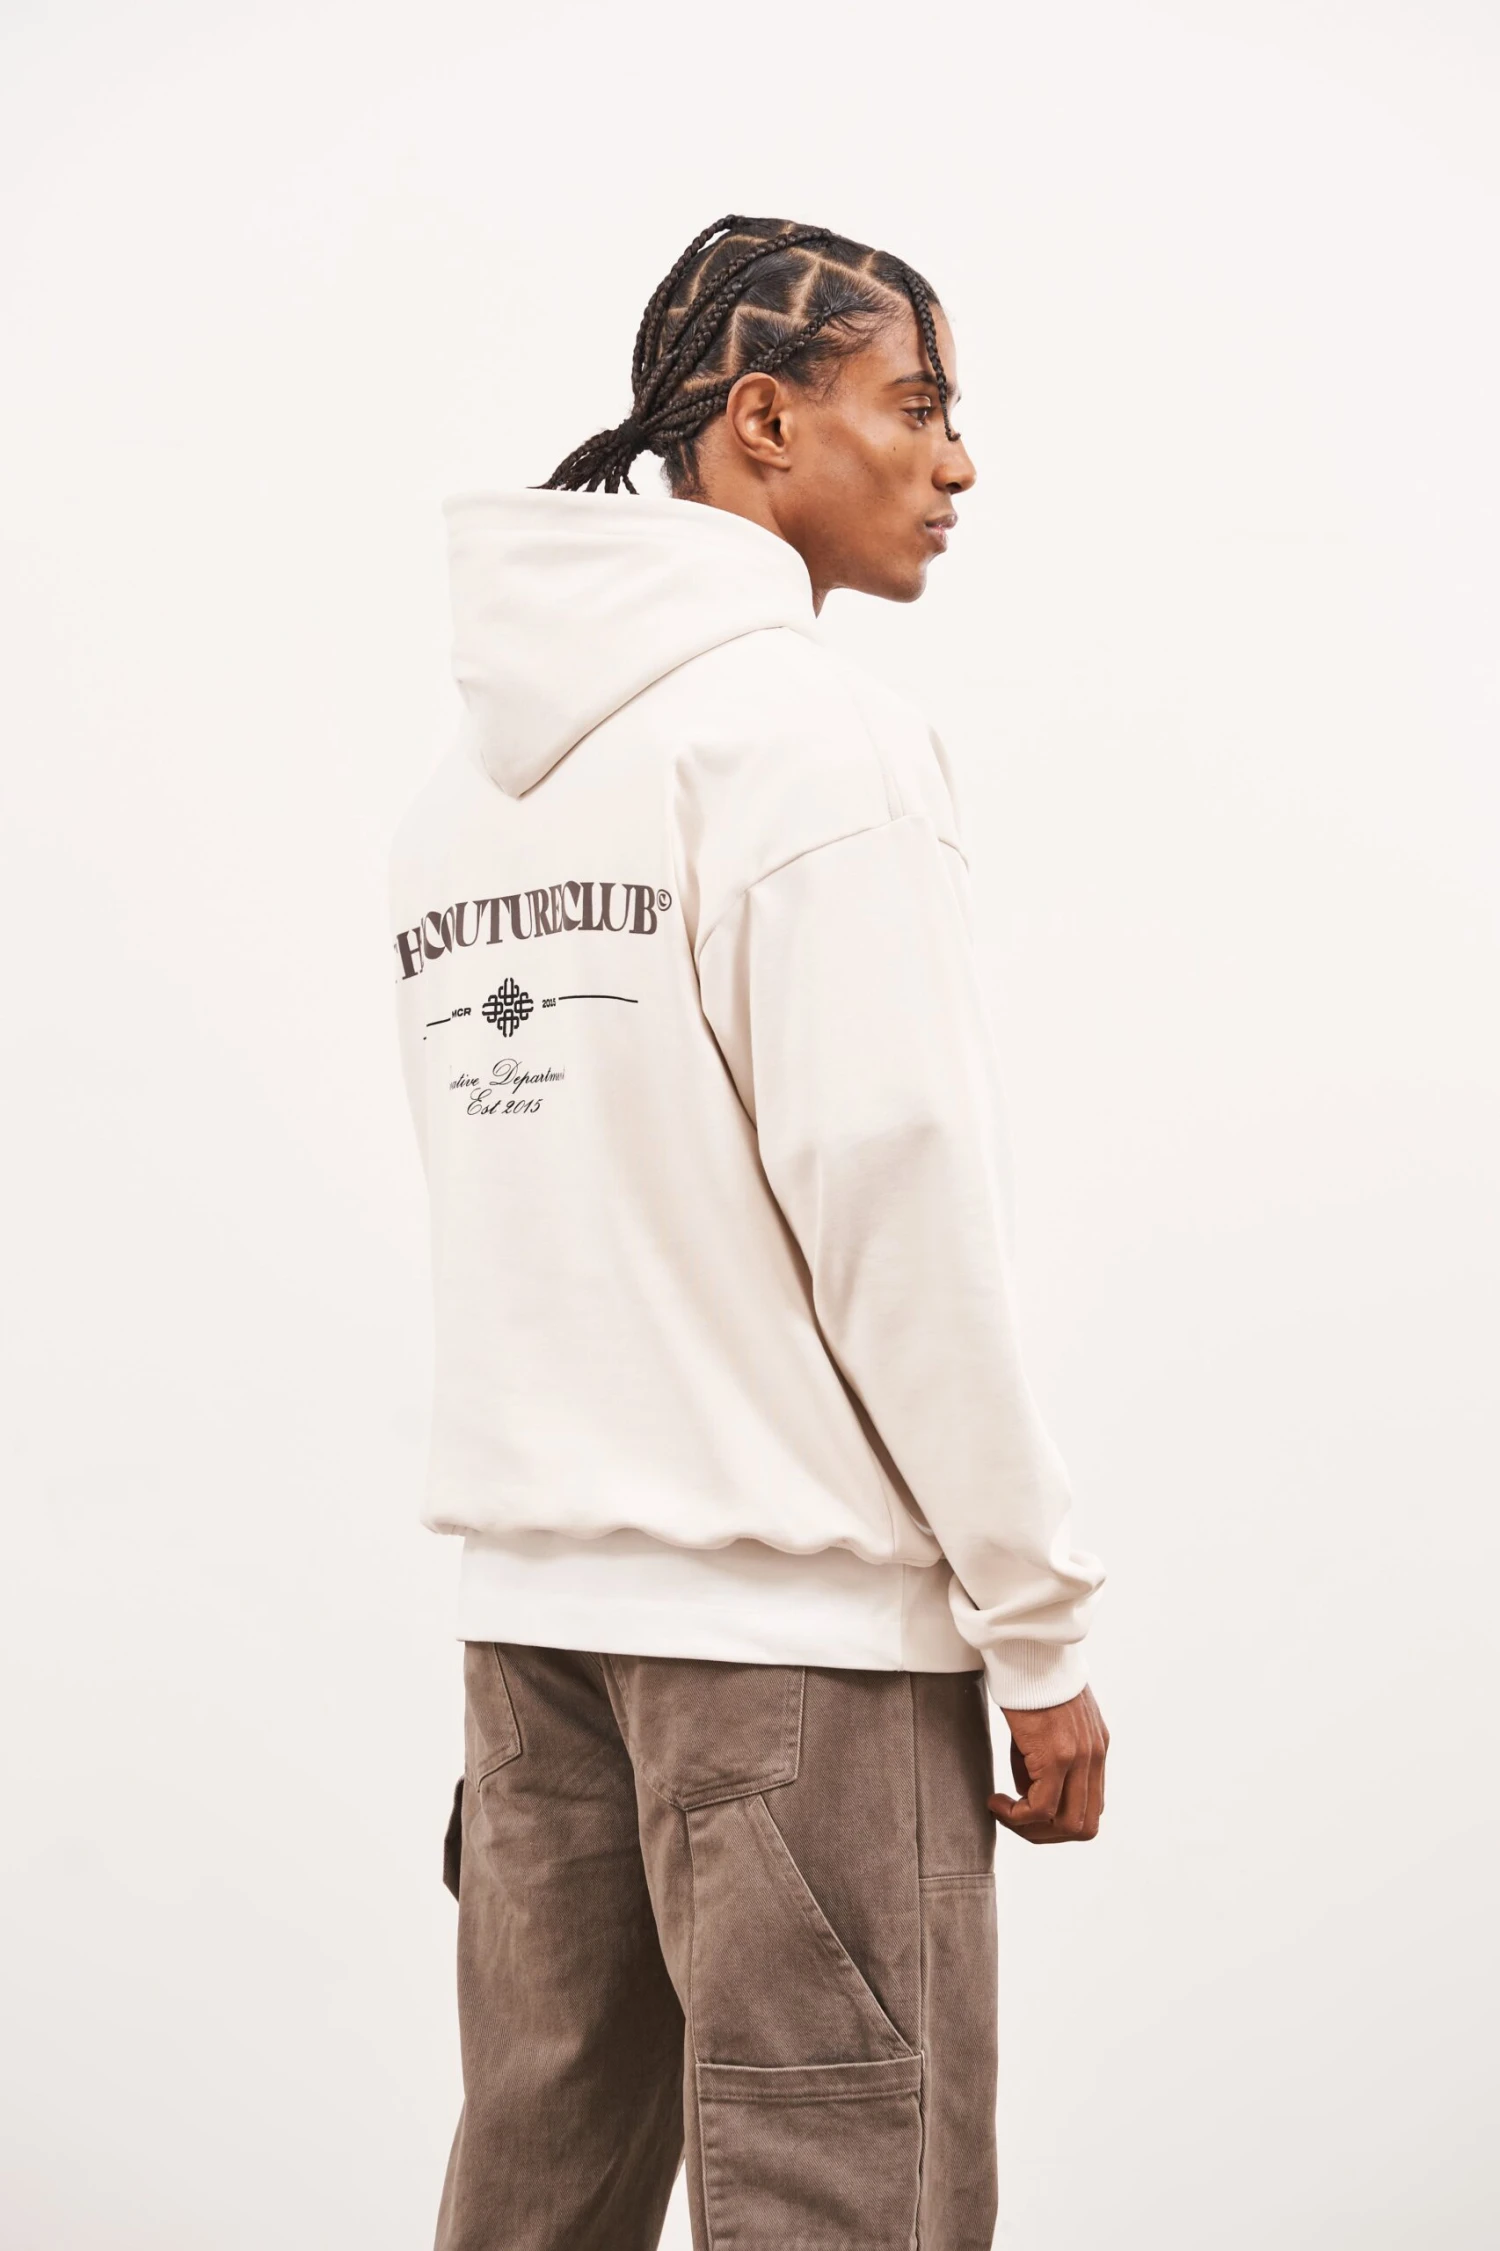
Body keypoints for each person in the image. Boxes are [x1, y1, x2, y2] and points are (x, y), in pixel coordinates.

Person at [388, 212, 1108, 2251]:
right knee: (841, 2201)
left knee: (535, 2193)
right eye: (917, 404)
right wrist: (1038, 1626)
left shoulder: (470, 794)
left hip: (538, 1633)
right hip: (793, 1648)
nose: (957, 462)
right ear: (765, 421)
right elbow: (894, 1195)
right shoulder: (808, 742)